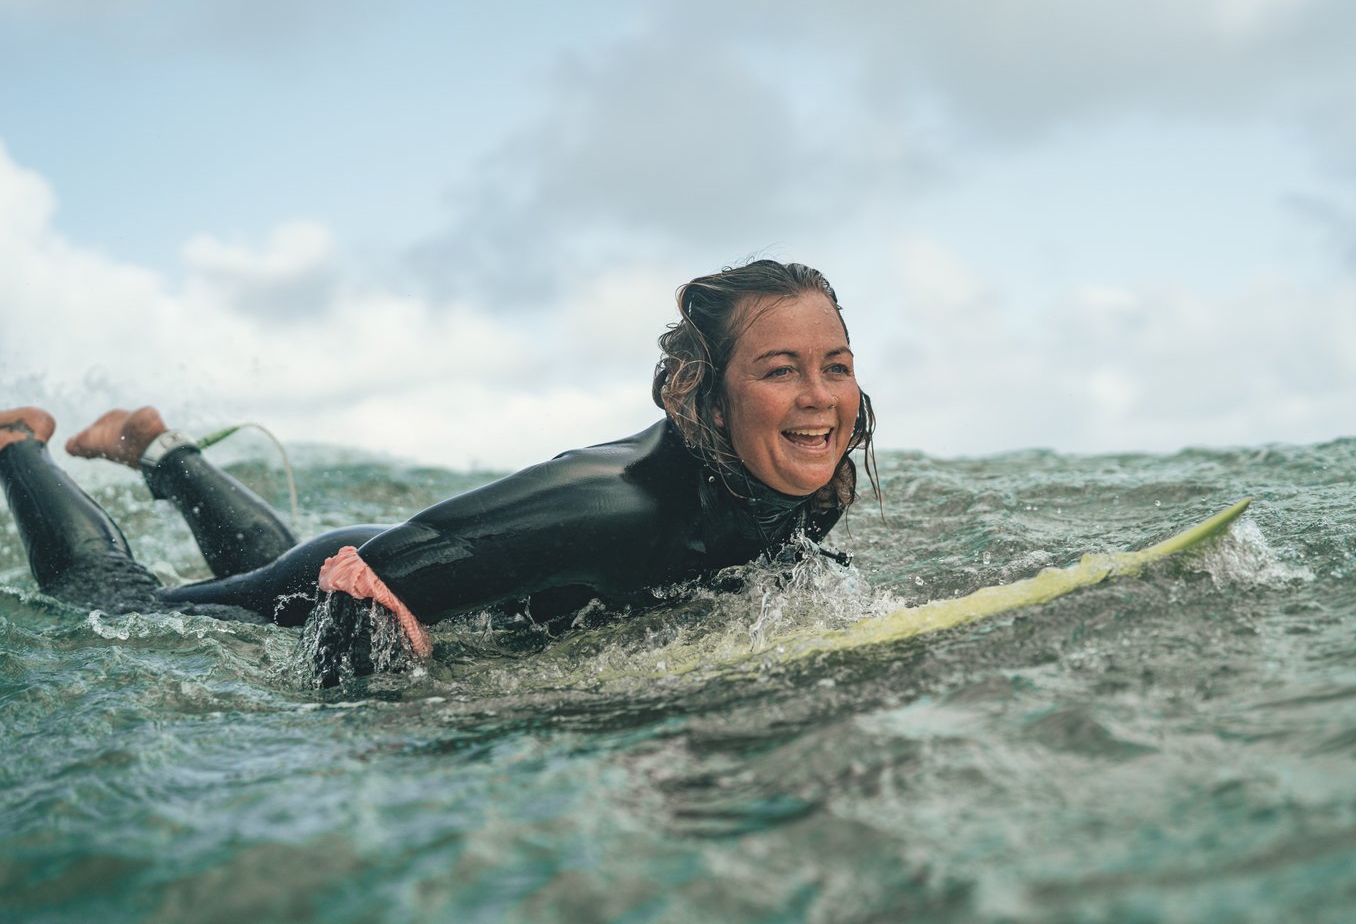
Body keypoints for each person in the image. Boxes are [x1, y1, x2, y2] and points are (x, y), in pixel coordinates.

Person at [0, 260, 878, 684]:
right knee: (115, 606)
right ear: (709, 396)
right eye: (778, 369)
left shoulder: (803, 469)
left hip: (400, 564)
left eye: (834, 366)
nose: (819, 399)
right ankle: (17, 443)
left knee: (260, 575)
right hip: (372, 571)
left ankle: (157, 447)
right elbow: (367, 584)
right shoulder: (611, 507)